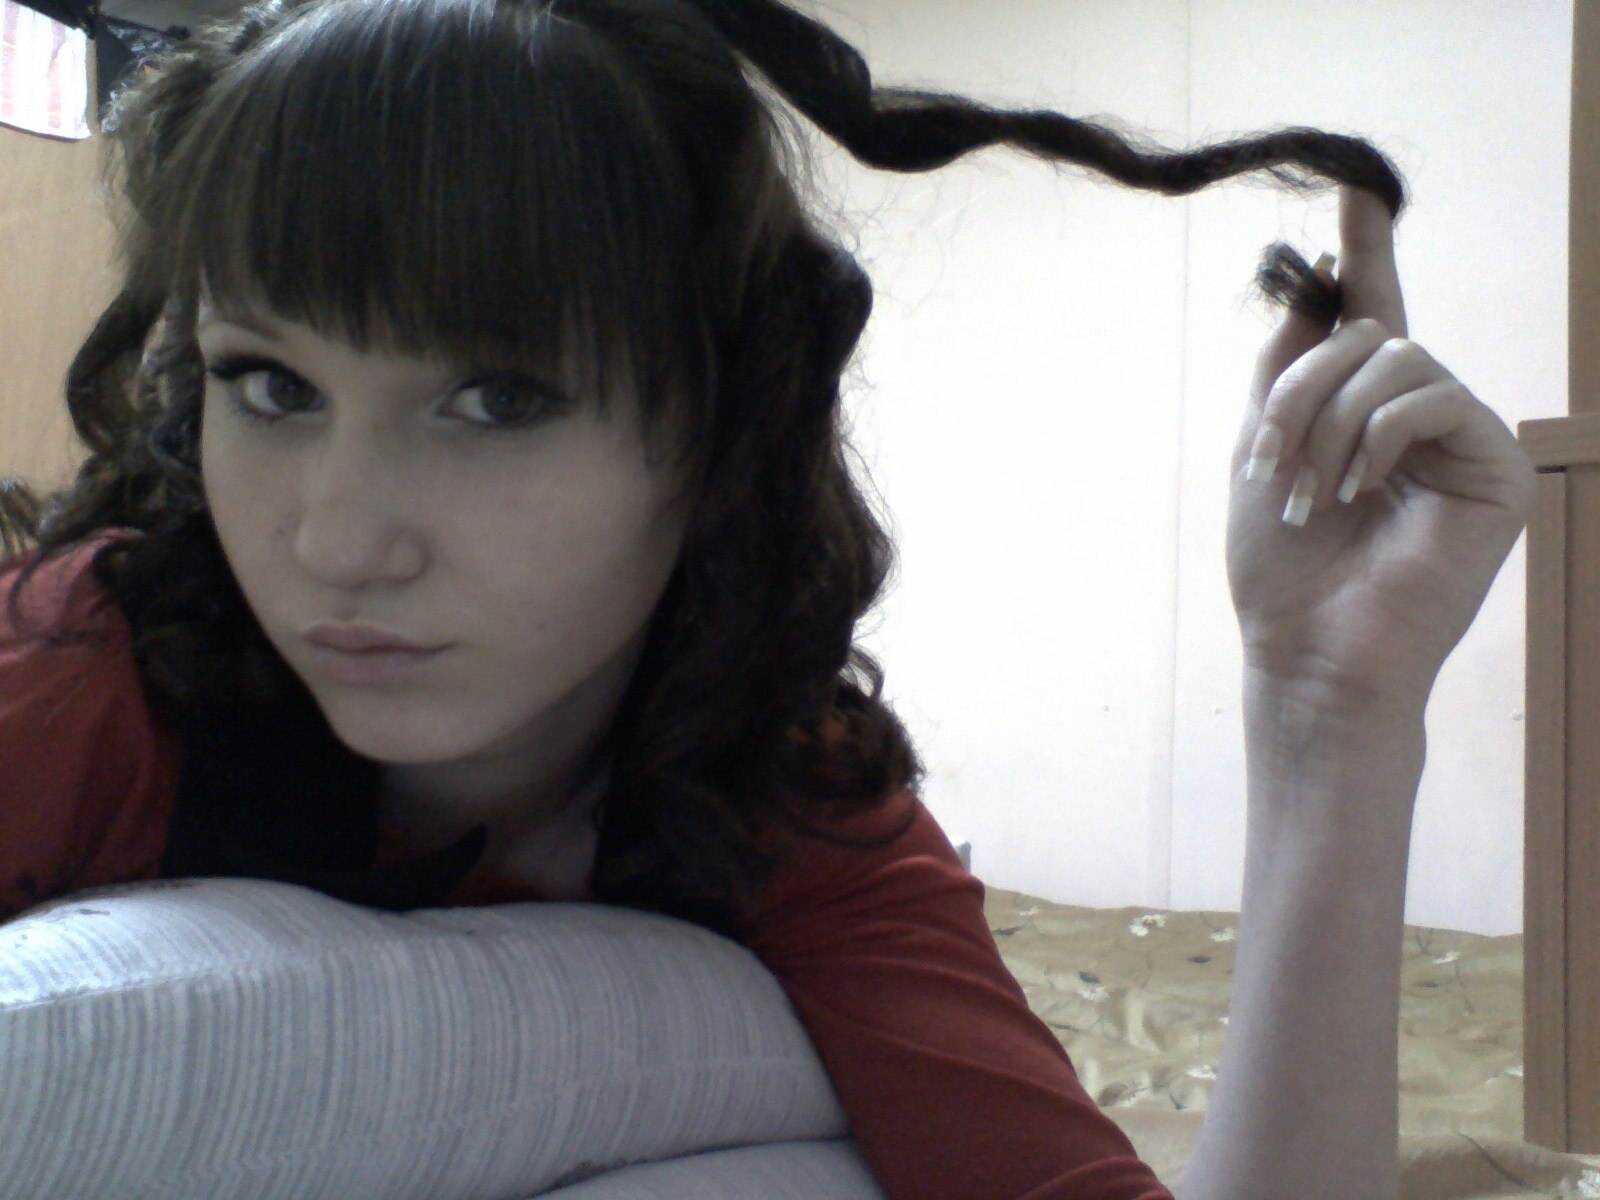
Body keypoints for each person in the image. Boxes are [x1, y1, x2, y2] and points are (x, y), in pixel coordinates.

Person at [0, 0, 1537, 1197]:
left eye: (495, 398)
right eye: (270, 385)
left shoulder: (775, 805)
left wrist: (1331, 715)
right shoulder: (90, 681)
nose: (336, 541)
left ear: (721, 429)